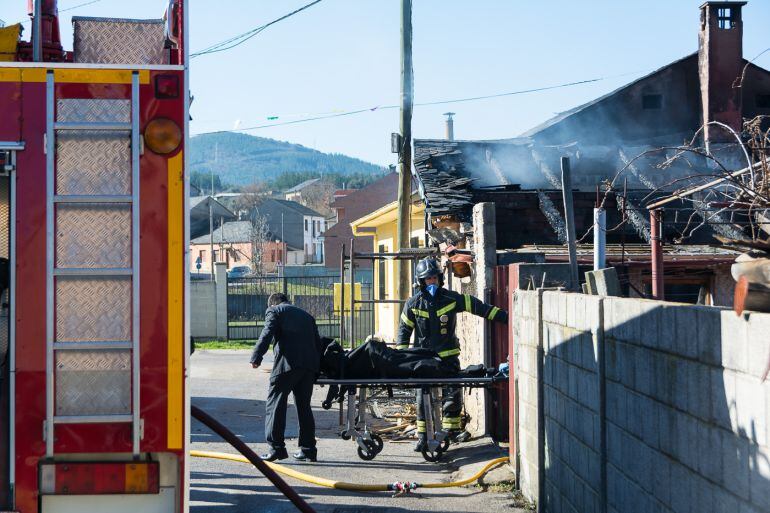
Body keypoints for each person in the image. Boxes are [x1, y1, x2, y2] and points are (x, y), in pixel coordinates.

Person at [395, 257, 508, 451]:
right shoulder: (413, 303)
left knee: (453, 392)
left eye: (434, 278)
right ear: (421, 282)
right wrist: (401, 361)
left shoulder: (451, 298)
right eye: (428, 279)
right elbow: (403, 332)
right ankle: (423, 436)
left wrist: (504, 316)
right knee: (423, 397)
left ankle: (450, 432)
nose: (432, 282)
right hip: (423, 360)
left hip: (448, 358)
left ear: (440, 279)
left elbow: (477, 306)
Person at [250, 293, 321, 462]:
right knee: (304, 406)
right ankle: (309, 448)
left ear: (272, 304)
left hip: (286, 365)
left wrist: (256, 357)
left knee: (275, 404)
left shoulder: (274, 311)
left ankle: (276, 448)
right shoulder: (306, 315)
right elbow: (317, 342)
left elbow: (267, 333)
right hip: (308, 366)